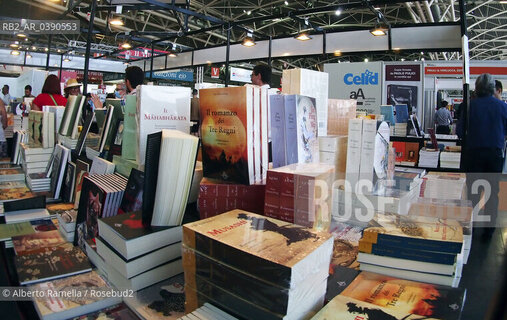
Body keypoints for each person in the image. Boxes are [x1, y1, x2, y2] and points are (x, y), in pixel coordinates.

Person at [458, 73, 507, 238]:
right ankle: (489, 230)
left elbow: (459, 132)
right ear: (493, 88)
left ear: (476, 89)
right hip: (495, 154)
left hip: (473, 153)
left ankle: (469, 224)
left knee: (472, 190)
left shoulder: (470, 106)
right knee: (493, 191)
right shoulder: (502, 106)